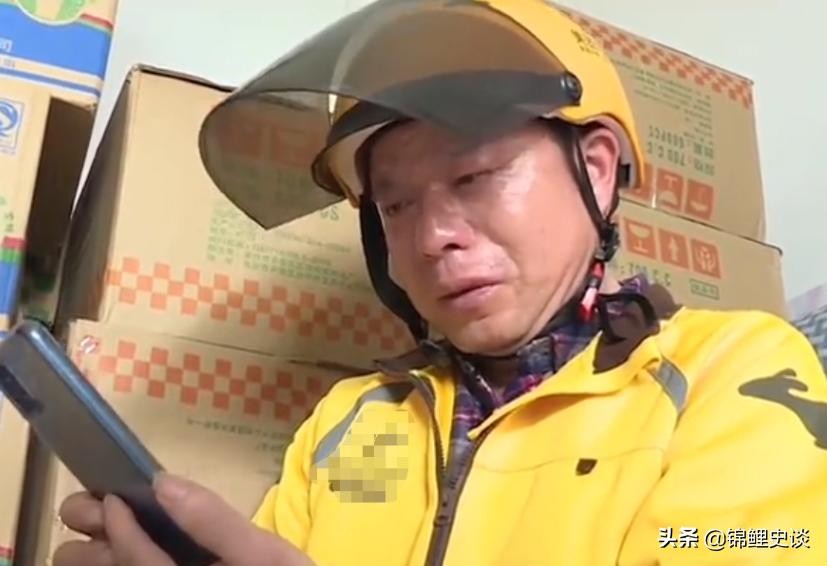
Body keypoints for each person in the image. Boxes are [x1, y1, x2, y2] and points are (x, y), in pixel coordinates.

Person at [55, 1, 827, 564]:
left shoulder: (736, 375)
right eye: (394, 205)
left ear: (594, 170)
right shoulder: (350, 421)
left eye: (474, 175)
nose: (431, 238)